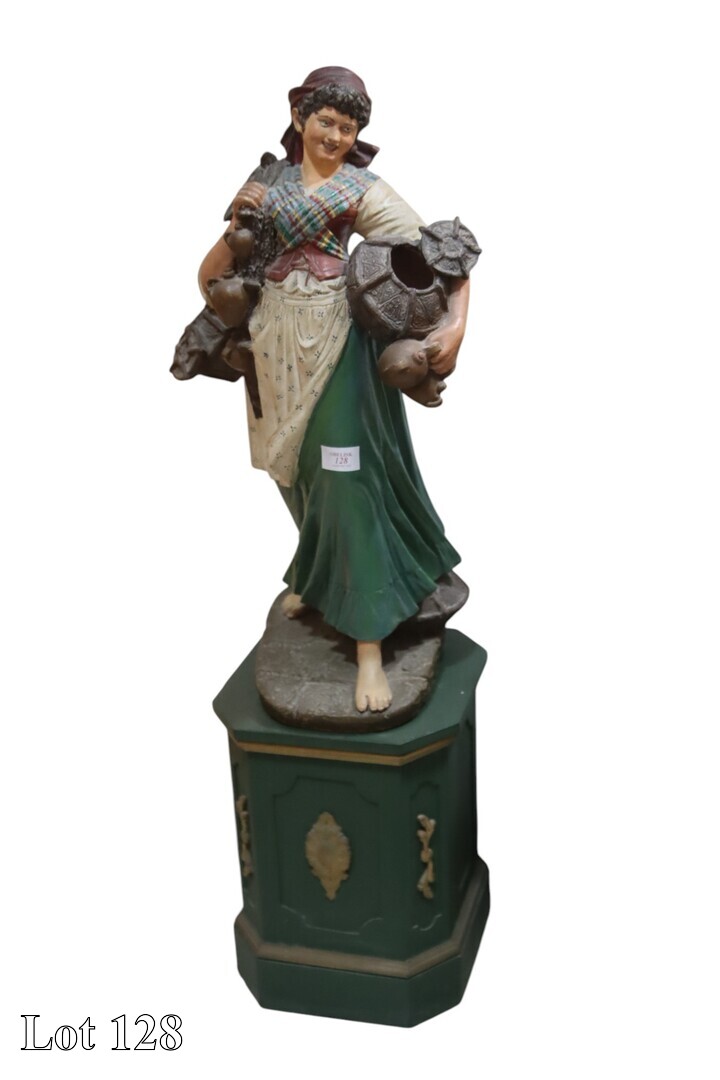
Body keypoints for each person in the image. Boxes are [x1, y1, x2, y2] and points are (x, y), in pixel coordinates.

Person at [199, 67, 470, 714]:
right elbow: (214, 268)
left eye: (348, 128)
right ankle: (321, 580)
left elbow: (447, 256)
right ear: (300, 117)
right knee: (293, 473)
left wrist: (454, 326)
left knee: (345, 476)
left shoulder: (359, 189)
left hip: (338, 344)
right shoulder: (267, 183)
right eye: (326, 122)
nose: (336, 137)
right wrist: (228, 274)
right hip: (273, 342)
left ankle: (370, 637)